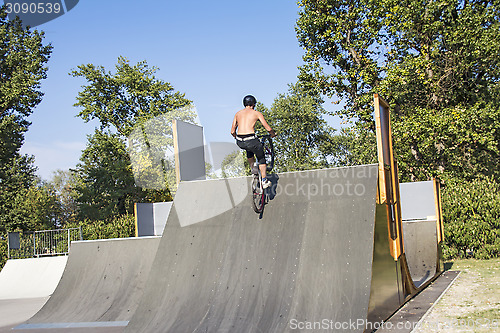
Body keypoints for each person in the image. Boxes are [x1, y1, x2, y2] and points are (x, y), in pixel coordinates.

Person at [231, 95, 276, 188]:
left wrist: (237, 137)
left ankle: (253, 169)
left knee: (249, 149)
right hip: (251, 139)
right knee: (261, 157)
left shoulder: (237, 114)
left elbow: (232, 131)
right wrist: (273, 134)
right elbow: (268, 128)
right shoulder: (256, 113)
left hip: (240, 141)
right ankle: (264, 181)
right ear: (253, 104)